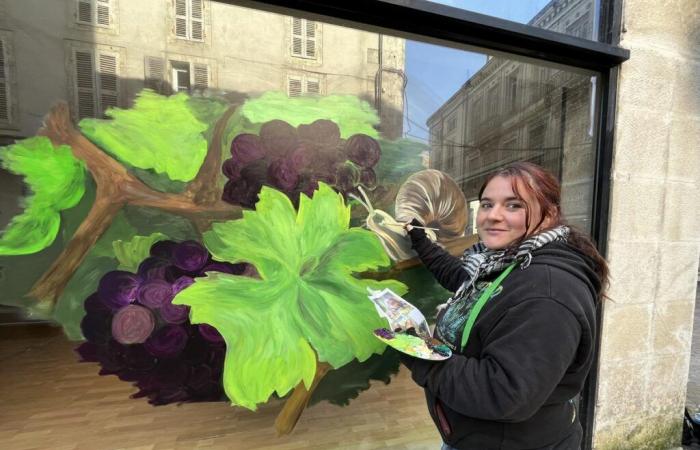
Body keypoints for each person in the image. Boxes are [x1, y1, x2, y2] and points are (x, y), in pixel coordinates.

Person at [400, 162, 608, 450]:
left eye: (513, 206)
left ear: (549, 214)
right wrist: (418, 236)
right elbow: (461, 279)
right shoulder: (505, 264)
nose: (493, 216)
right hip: (475, 437)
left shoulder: (547, 294)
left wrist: (420, 352)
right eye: (487, 204)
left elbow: (503, 394)